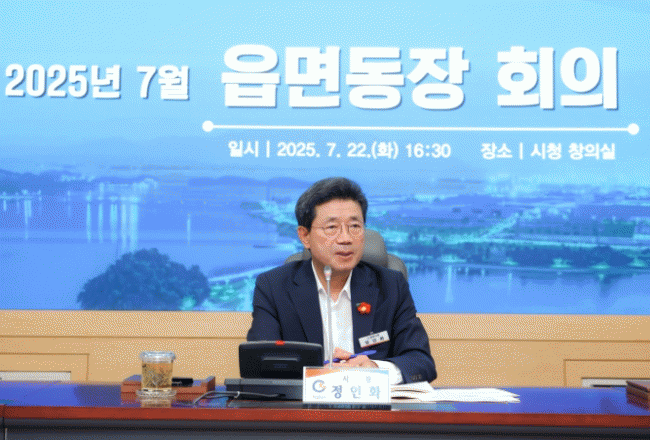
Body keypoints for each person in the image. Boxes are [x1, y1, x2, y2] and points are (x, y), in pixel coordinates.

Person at [247, 177, 436, 384]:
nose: (345, 238)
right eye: (332, 227)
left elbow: (421, 362)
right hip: (306, 403)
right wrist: (321, 376)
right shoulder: (274, 287)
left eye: (354, 226)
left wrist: (375, 369)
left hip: (372, 402)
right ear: (305, 236)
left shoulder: (391, 286)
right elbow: (261, 364)